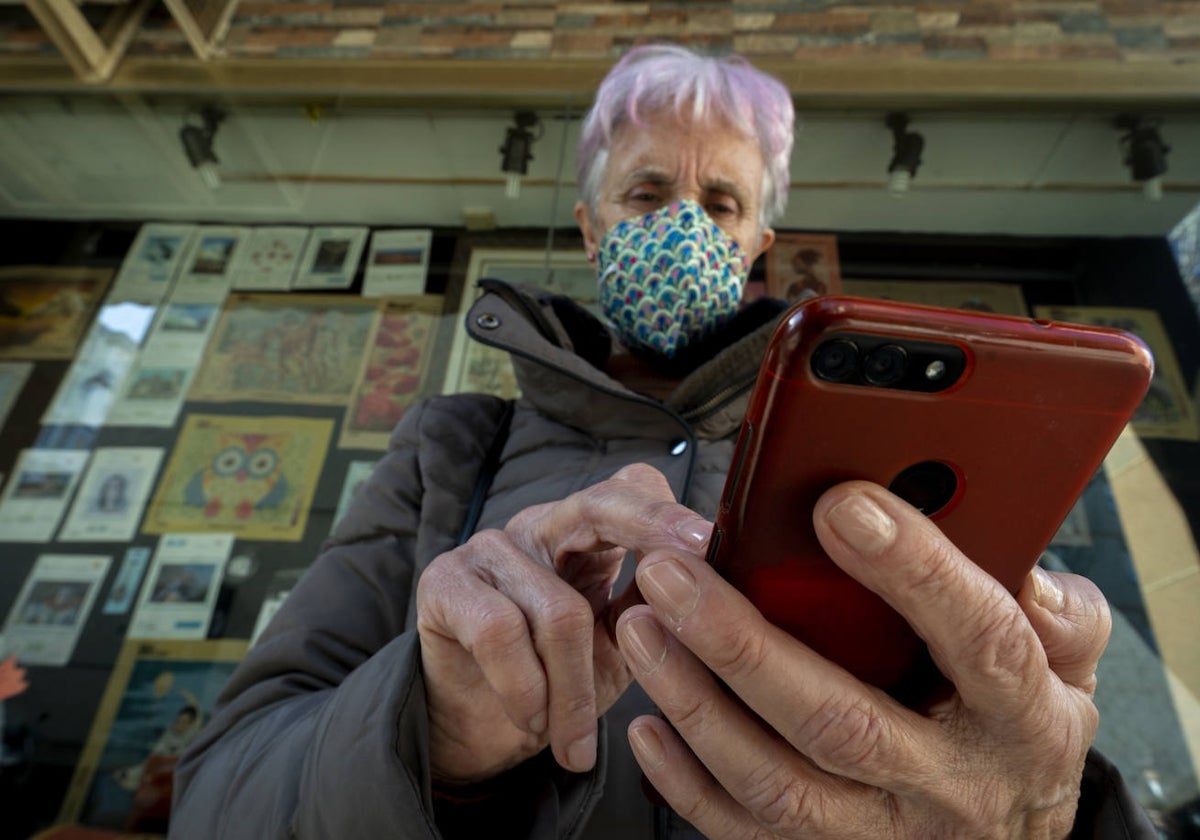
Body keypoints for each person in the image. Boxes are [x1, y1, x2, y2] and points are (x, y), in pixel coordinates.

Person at [171, 45, 1157, 839]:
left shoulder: (871, 455)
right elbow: (219, 795)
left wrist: (1047, 810)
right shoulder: (452, 451)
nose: (683, 222)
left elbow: (1010, 748)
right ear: (593, 228)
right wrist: (429, 726)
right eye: (645, 195)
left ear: (759, 244)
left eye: (722, 203)